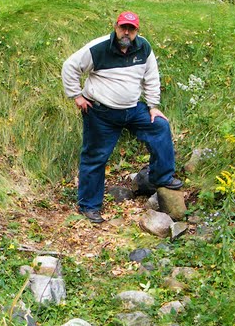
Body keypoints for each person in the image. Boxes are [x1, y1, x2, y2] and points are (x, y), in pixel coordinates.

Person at [61, 11, 182, 224]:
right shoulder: (98, 48)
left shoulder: (144, 48)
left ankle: (160, 177)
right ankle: (89, 205)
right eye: (123, 27)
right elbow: (70, 66)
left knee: (160, 126)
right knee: (95, 156)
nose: (126, 32)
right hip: (101, 112)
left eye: (131, 28)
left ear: (137, 31)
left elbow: (151, 77)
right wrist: (76, 96)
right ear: (116, 27)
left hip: (132, 109)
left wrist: (153, 106)